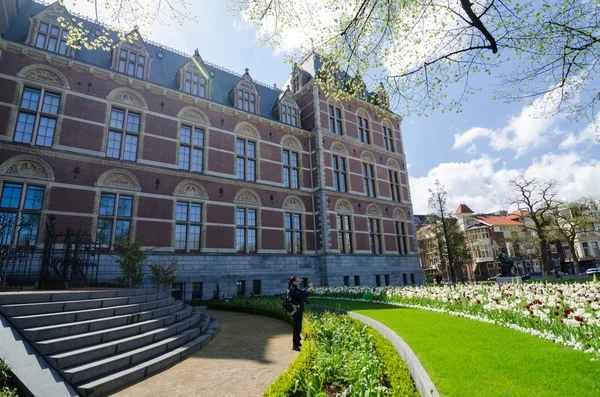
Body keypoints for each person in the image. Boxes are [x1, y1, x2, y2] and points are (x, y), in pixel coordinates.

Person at [288, 276, 312, 351]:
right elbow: (302, 295)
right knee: (297, 327)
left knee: (298, 327)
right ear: (293, 282)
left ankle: (297, 342)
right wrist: (308, 291)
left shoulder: (295, 288)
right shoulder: (293, 289)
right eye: (297, 281)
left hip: (298, 310)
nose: (298, 282)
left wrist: (307, 291)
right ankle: (295, 345)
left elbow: (301, 293)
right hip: (296, 311)